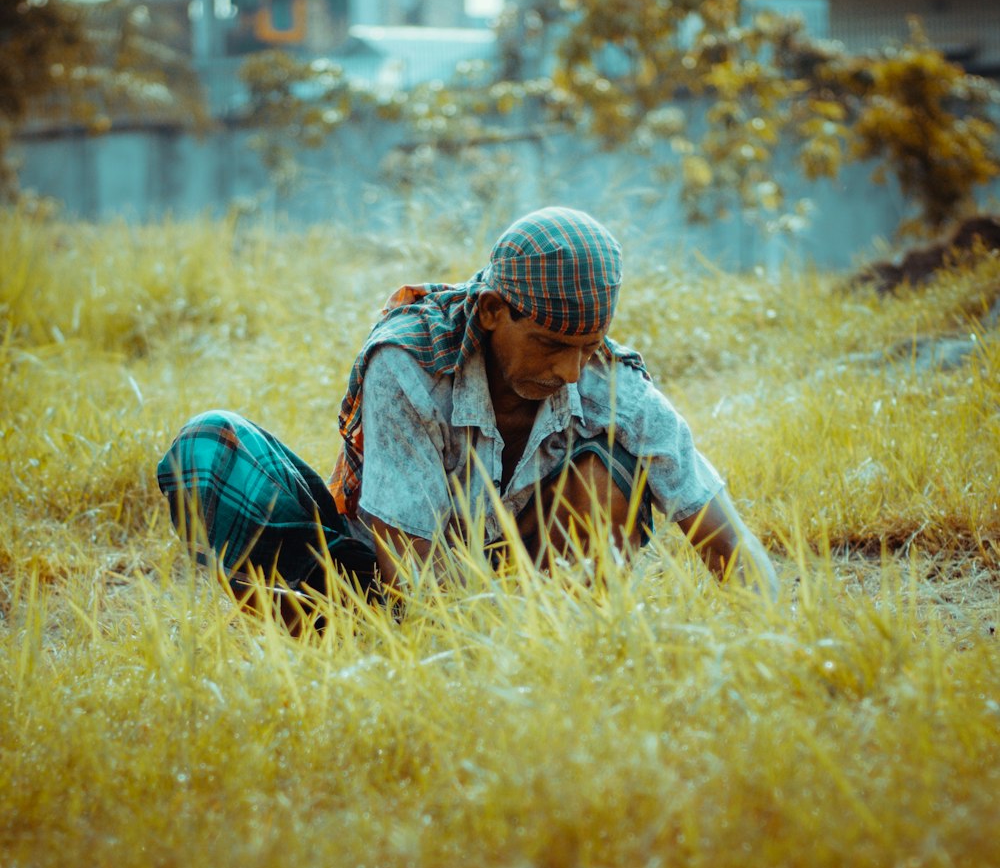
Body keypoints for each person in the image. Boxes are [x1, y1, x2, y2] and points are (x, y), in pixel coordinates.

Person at [157, 207, 778, 617]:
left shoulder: (613, 382)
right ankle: (320, 649)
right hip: (380, 585)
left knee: (610, 470)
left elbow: (727, 539)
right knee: (209, 449)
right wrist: (453, 659)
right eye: (550, 345)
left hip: (529, 604)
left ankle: (563, 643)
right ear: (489, 311)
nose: (569, 370)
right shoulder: (409, 364)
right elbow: (410, 578)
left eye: (586, 349)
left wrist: (778, 641)